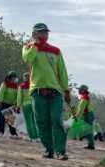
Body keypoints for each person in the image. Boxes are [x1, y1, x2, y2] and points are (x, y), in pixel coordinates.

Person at [23, 23, 70, 159]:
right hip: (37, 92)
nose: (44, 35)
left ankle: (60, 151)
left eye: (45, 33)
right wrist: (35, 45)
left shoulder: (55, 51)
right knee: (42, 121)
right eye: (40, 33)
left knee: (56, 119)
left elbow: (62, 71)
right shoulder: (28, 48)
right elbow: (28, 59)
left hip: (55, 92)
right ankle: (48, 149)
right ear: (34, 34)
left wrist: (66, 89)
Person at [16, 72, 39, 141]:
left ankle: (32, 137)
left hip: (26, 105)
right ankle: (37, 137)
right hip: (34, 105)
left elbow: (19, 97)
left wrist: (18, 106)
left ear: (24, 78)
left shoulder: (21, 86)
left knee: (29, 122)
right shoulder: (34, 86)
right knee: (34, 121)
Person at [0, 71, 19, 137]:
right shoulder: (4, 84)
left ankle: (13, 134)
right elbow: (1, 93)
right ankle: (0, 132)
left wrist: (15, 103)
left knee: (11, 120)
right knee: (1, 119)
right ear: (9, 77)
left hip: (10, 105)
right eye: (12, 77)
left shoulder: (16, 86)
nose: (14, 79)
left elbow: (17, 96)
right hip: (3, 104)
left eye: (14, 77)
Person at [74, 84, 96, 149]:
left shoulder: (84, 98)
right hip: (88, 114)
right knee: (87, 129)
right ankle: (90, 144)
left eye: (80, 89)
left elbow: (81, 109)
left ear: (83, 90)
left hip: (87, 115)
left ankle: (91, 145)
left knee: (87, 130)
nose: (78, 91)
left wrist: (76, 116)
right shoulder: (84, 97)